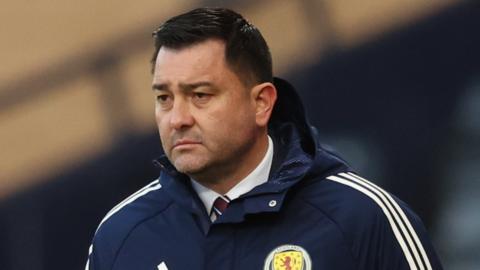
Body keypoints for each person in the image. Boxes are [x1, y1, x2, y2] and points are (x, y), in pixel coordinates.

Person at [85, 7, 443, 270]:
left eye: (200, 95)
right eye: (164, 98)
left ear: (261, 103)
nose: (177, 119)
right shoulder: (120, 235)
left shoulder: (362, 218)